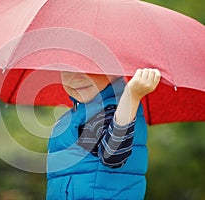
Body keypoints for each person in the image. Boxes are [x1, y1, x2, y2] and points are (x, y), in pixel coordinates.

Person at [46, 68, 161, 199]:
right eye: (67, 69)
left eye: (87, 68)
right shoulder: (79, 114)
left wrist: (131, 96)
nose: (76, 78)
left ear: (115, 69)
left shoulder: (110, 111)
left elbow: (112, 154)